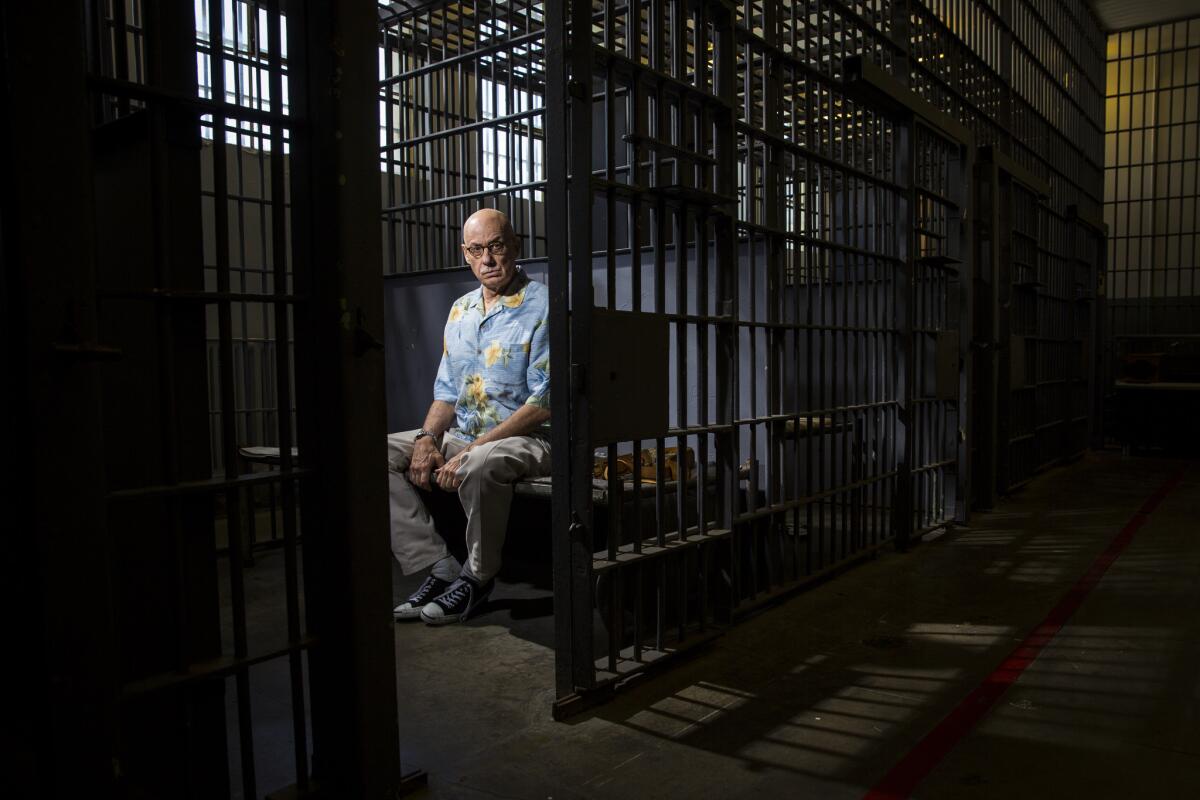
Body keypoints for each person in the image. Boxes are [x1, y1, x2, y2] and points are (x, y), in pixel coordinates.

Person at [388, 208, 551, 625]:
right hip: (467, 433)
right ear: (465, 254)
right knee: (380, 453)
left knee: (478, 463)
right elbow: (447, 391)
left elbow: (544, 403)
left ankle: (477, 577)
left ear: (515, 246)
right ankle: (439, 565)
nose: (488, 260)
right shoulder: (460, 309)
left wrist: (476, 447)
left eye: (496, 246)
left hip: (529, 440)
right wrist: (426, 437)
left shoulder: (544, 305)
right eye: (477, 250)